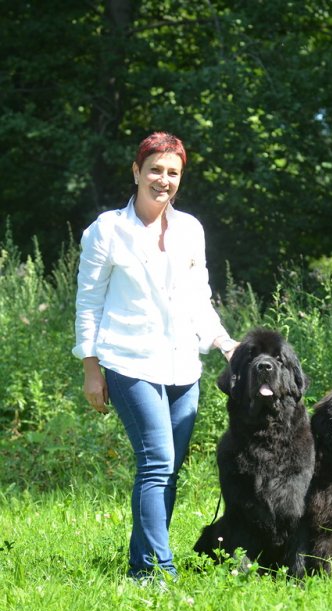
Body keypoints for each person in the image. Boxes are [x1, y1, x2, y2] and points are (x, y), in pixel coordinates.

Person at [73, 131, 238, 581]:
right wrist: (91, 369)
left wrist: (225, 344)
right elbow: (88, 302)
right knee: (157, 462)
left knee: (167, 471)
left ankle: (138, 568)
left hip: (183, 364)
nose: (163, 180)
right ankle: (160, 572)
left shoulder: (190, 230)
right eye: (155, 170)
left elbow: (198, 298)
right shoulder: (107, 230)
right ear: (136, 172)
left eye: (172, 172)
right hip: (129, 362)